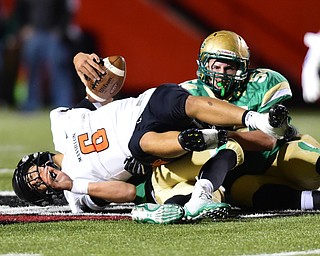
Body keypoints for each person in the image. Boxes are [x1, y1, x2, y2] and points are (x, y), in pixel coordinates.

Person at [12, 53, 289, 221]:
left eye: (32, 174)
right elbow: (127, 192)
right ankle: (199, 140)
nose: (41, 177)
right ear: (47, 195)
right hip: (142, 144)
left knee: (188, 103)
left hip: (142, 104)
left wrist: (79, 59)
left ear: (36, 159)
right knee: (144, 143)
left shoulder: (60, 122)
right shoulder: (76, 195)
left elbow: (97, 93)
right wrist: (75, 184)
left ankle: (255, 119)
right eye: (37, 185)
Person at [132, 30, 320, 223]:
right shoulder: (188, 94)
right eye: (216, 66)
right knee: (243, 191)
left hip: (273, 160)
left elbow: (267, 141)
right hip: (230, 176)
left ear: (243, 68)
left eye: (228, 67)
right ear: (204, 65)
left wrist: (221, 135)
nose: (221, 74)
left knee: (300, 156)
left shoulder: (262, 83)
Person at [17, 0, 76, 110]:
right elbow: (19, 11)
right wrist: (23, 27)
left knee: (59, 69)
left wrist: (60, 30)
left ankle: (63, 104)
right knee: (31, 71)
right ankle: (31, 103)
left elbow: (66, 12)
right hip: (33, 34)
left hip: (53, 34)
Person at [301, 31, 320, 103]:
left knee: (311, 95)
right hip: (310, 69)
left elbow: (307, 37)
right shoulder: (317, 40)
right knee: (311, 96)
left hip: (311, 69)